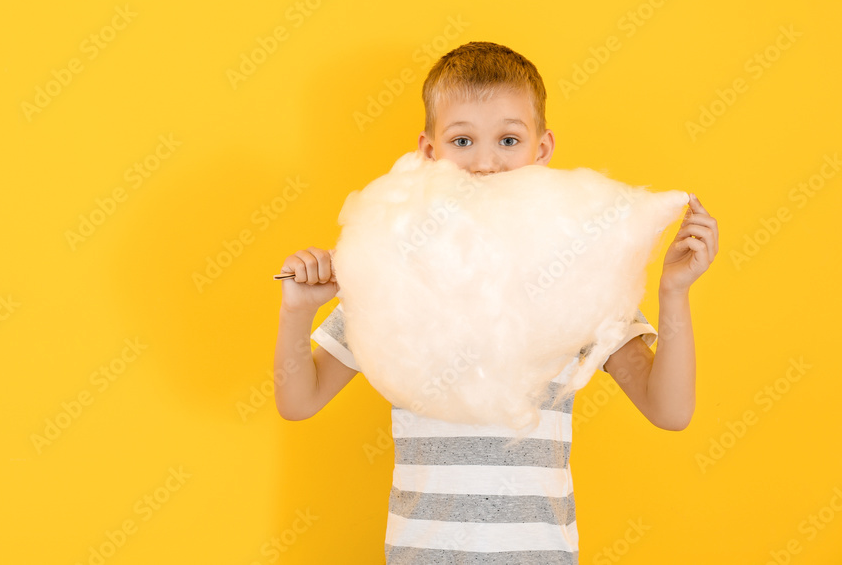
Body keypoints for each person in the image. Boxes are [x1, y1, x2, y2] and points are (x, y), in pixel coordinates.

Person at [273, 41, 718, 563]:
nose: (486, 162)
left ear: (543, 149)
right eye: (463, 140)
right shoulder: (396, 271)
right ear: (429, 152)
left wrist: (674, 292)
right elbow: (298, 400)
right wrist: (297, 310)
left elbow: (669, 409)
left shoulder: (577, 273)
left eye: (509, 139)